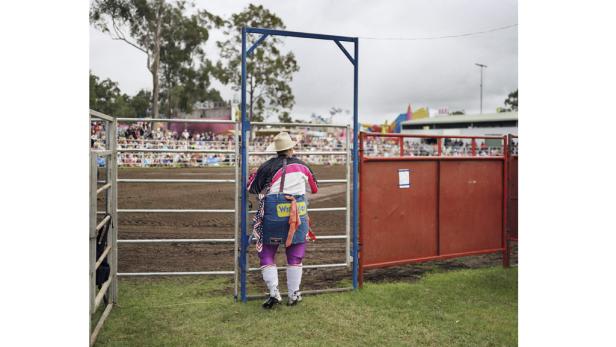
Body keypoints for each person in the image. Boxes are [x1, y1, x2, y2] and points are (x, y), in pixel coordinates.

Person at [247, 132, 318, 309]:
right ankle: (294, 294)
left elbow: (252, 188)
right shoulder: (303, 166)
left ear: (276, 150)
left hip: (273, 215)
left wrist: (252, 177)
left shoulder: (266, 166)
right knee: (295, 254)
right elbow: (314, 188)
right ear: (292, 148)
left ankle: (274, 293)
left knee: (267, 253)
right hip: (298, 215)